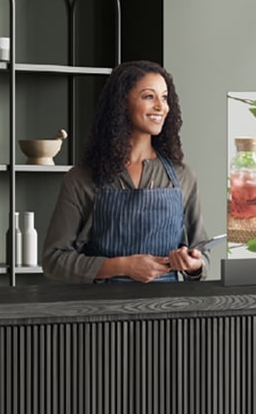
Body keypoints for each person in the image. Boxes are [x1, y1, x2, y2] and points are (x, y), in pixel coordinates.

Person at [42, 60, 207, 283]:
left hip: (168, 304)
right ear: (122, 103)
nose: (161, 106)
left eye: (164, 97)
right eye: (149, 96)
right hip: (103, 305)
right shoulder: (81, 178)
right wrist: (122, 266)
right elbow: (54, 260)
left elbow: (201, 253)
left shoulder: (183, 176)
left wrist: (194, 265)